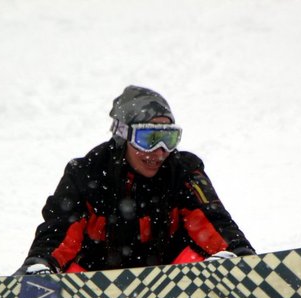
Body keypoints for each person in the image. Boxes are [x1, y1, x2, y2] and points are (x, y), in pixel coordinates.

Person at [14, 85, 254, 276]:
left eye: (168, 139)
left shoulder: (184, 171)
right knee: (56, 271)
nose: (159, 151)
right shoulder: (85, 174)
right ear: (122, 136)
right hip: (93, 289)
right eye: (148, 138)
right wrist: (41, 262)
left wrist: (240, 255)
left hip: (172, 285)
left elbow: (213, 222)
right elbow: (59, 231)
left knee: (220, 260)